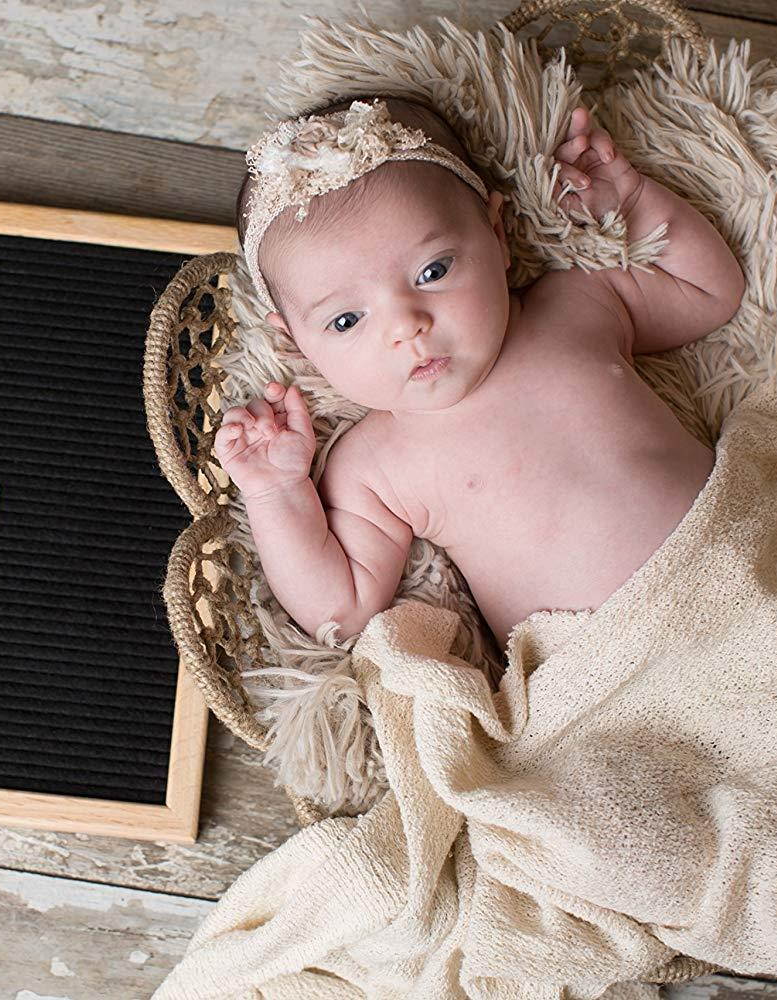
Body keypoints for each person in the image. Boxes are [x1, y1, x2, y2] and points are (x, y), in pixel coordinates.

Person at [220, 96, 745, 645]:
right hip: (611, 673)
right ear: (296, 343)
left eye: (433, 270)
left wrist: (633, 203)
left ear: (497, 235)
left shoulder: (575, 305)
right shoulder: (373, 465)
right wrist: (276, 492)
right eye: (347, 319)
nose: (407, 326)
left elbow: (711, 292)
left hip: (734, 564)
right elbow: (340, 611)